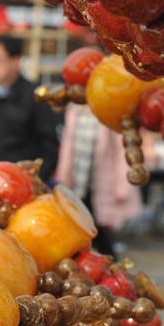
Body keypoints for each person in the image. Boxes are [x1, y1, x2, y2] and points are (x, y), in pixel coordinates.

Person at [55, 102, 141, 257]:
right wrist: (63, 177)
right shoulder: (75, 111)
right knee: (84, 232)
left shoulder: (109, 113)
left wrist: (122, 186)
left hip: (102, 184)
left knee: (101, 234)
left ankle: (111, 269)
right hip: (78, 184)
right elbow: (67, 147)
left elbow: (121, 151)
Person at [0, 37, 62, 181]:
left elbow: (50, 145)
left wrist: (37, 180)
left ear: (16, 61)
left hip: (22, 182)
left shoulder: (34, 96)